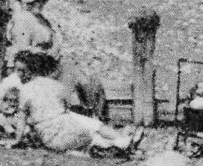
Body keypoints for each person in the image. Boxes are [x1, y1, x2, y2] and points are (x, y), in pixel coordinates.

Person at [13, 52, 141, 156]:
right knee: (88, 128)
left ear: (32, 70)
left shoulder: (26, 89)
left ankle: (120, 141)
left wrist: (17, 140)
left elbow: (22, 118)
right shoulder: (56, 85)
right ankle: (120, 142)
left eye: (22, 71)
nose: (18, 74)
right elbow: (65, 107)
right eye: (17, 70)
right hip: (62, 130)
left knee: (84, 127)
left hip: (54, 133)